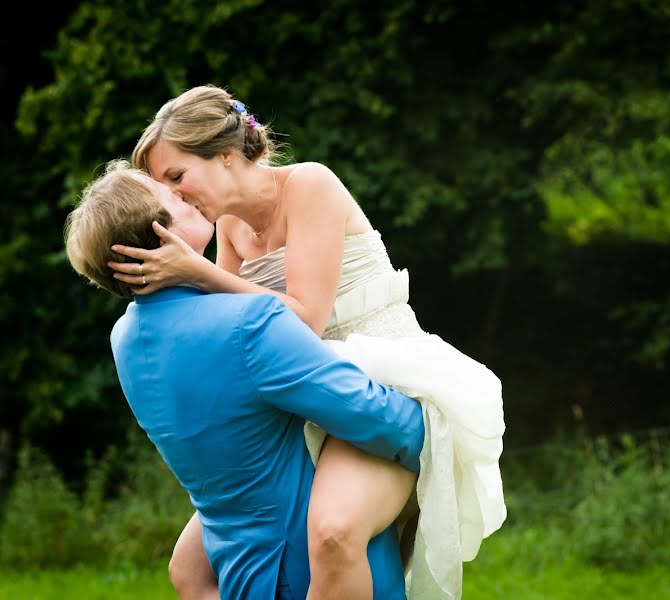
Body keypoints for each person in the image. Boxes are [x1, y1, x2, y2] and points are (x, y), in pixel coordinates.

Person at [109, 85, 506, 599]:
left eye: (176, 177)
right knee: (188, 568)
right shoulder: (229, 224)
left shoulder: (310, 185)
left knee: (333, 533)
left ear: (226, 156)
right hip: (306, 392)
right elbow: (234, 326)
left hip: (381, 381)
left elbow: (304, 319)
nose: (173, 197)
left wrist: (198, 270)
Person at [64, 160, 426, 599]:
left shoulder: (125, 339)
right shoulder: (249, 322)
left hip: (237, 572)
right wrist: (432, 410)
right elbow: (378, 420)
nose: (185, 194)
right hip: (321, 570)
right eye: (173, 197)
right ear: (161, 237)